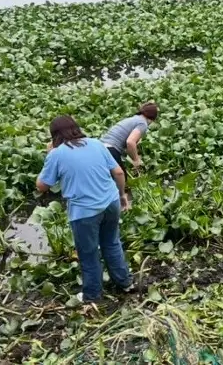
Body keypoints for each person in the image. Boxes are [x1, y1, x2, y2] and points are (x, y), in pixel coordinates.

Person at [37, 116, 133, 303]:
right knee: (112, 243)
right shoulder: (97, 143)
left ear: (54, 135)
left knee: (88, 254)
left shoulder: (57, 154)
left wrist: (49, 155)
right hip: (111, 202)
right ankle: (125, 283)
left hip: (84, 212)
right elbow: (119, 172)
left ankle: (92, 295)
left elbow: (42, 186)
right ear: (75, 128)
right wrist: (122, 196)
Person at [100, 102, 158, 182]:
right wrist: (136, 160)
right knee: (121, 179)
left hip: (100, 148)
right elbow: (130, 142)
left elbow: (129, 147)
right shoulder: (143, 123)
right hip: (110, 149)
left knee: (107, 180)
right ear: (153, 117)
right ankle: (122, 194)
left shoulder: (133, 119)